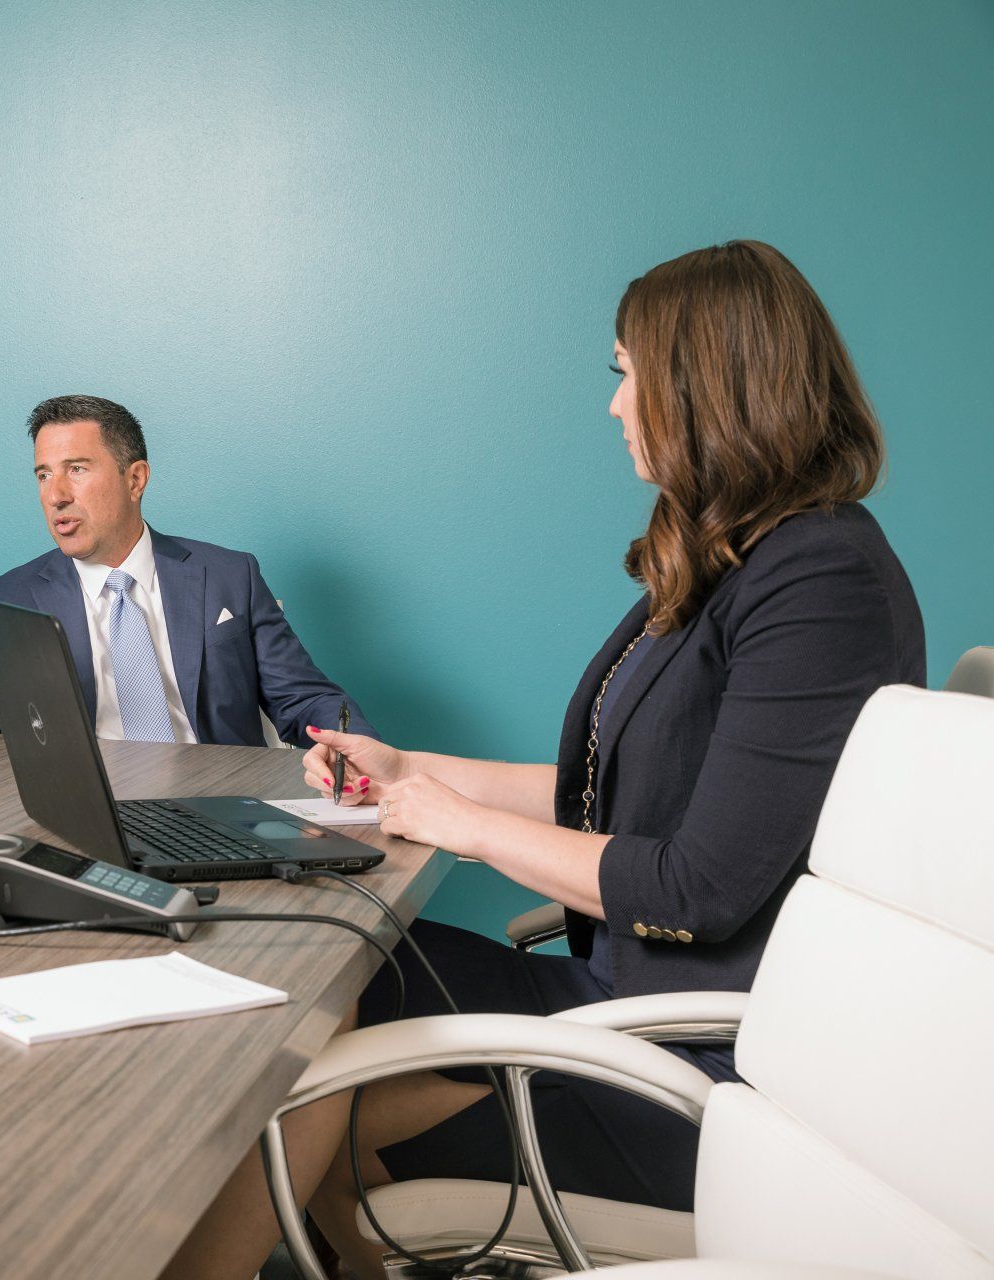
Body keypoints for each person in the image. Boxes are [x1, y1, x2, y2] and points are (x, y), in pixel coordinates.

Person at [167, 241, 925, 1280]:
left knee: (284, 1094)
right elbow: (612, 794)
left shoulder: (819, 579)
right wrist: (405, 770)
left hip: (689, 1064)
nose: (616, 405)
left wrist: (460, 824)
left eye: (629, 372)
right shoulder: (729, 553)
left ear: (709, 384)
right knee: (323, 967)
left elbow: (698, 884)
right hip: (619, 998)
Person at [0, 394, 371, 747]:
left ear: (135, 479)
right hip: (88, 812)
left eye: (76, 469)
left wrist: (352, 749)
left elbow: (303, 699)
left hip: (224, 806)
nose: (55, 495)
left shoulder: (230, 576)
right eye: (43, 475)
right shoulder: (6, 600)